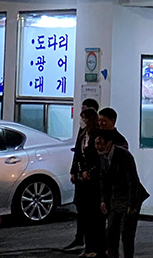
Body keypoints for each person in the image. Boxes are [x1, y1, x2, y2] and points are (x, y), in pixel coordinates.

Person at [96, 130, 148, 258]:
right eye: (96, 143)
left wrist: (132, 204)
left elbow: (132, 181)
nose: (97, 147)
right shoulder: (103, 156)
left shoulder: (124, 156)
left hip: (129, 196)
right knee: (111, 230)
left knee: (127, 232)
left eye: (100, 143)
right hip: (115, 197)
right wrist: (103, 200)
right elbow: (103, 180)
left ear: (109, 143)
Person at [63, 100, 101, 254]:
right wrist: (74, 171)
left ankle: (93, 245)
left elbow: (97, 157)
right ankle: (81, 239)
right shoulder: (83, 132)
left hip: (91, 179)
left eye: (84, 114)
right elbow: (78, 153)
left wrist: (88, 171)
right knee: (81, 207)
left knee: (91, 212)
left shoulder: (96, 133)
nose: (82, 119)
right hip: (81, 177)